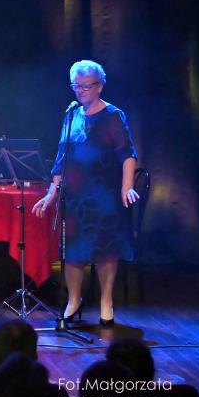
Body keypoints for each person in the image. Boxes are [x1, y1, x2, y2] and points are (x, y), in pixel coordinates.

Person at [33, 60, 137, 327]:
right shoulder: (72, 115)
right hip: (76, 196)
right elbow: (61, 158)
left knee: (106, 250)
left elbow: (127, 154)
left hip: (105, 195)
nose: (80, 91)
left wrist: (127, 186)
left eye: (86, 86)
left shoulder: (113, 115)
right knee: (73, 251)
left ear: (100, 86)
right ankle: (74, 300)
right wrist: (51, 193)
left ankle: (106, 300)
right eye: (76, 86)